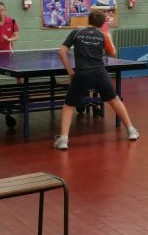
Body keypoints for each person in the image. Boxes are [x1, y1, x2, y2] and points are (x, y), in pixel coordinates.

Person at [53, 9, 139, 150]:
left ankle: (63, 140)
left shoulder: (76, 33)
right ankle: (131, 131)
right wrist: (108, 36)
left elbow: (61, 51)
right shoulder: (103, 35)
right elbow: (113, 53)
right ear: (102, 23)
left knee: (69, 106)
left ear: (88, 20)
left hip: (81, 74)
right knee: (115, 100)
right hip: (100, 73)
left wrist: (70, 71)